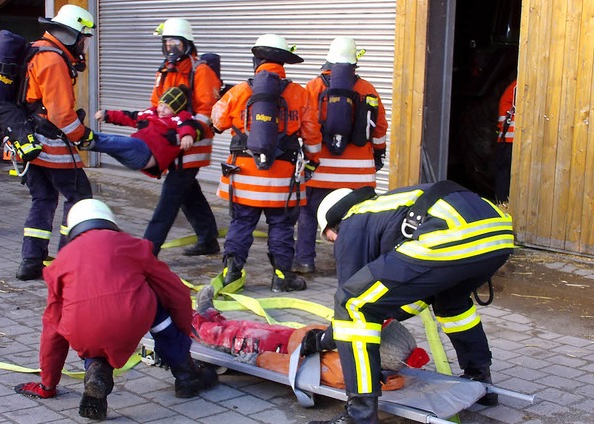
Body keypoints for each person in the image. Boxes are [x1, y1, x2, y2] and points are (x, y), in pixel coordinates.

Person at [302, 181, 514, 423]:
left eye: (330, 239)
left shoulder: (353, 222)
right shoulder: (384, 209)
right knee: (452, 304)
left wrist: (321, 341)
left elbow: (351, 306)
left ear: (333, 224)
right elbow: (400, 299)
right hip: (498, 234)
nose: (334, 245)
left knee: (352, 303)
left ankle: (359, 415)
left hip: (450, 235)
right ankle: (480, 378)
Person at [13, 199, 218, 420]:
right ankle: (186, 376)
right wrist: (182, 332)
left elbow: (52, 328)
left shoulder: (60, 262)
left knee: (89, 324)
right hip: (133, 317)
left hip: (83, 331)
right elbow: (174, 291)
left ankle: (96, 370)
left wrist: (48, 384)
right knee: (155, 300)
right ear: (110, 221)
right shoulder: (133, 245)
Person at [211, 33, 322, 293]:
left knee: (241, 224)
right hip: (282, 179)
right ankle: (282, 279)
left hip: (243, 176)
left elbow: (217, 121)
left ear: (257, 60)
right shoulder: (299, 93)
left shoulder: (240, 90)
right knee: (282, 226)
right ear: (283, 64)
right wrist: (314, 161)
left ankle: (230, 275)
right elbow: (312, 135)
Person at [15, 4, 96, 281]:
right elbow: (61, 115)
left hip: (29, 143)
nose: (84, 44)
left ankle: (30, 261)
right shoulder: (53, 60)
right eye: (84, 38)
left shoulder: (36, 50)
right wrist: (83, 135)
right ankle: (68, 261)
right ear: (73, 35)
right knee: (79, 196)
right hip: (50, 143)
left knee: (43, 198)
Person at [293, 37, 388, 274]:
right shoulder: (367, 89)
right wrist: (378, 155)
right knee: (356, 219)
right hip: (358, 176)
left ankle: (304, 261)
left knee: (309, 215)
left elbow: (305, 126)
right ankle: (354, 265)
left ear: (328, 60)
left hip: (321, 172)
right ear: (355, 63)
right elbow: (379, 128)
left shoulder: (313, 87)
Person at [144, 18, 221, 257]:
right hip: (172, 145)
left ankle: (148, 250)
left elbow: (207, 109)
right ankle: (208, 239)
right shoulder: (164, 71)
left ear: (187, 44)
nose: (171, 49)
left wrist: (189, 132)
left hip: (191, 146)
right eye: (167, 44)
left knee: (169, 200)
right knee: (189, 195)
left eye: (176, 43)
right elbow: (156, 104)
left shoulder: (201, 71)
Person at [88, 86, 198, 178]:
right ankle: (81, 137)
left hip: (146, 154)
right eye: (161, 105)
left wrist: (187, 136)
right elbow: (130, 117)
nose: (161, 110)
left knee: (113, 141)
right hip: (134, 152)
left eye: (167, 108)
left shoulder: (180, 118)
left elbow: (188, 125)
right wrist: (107, 115)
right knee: (108, 141)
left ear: (176, 110)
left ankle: (84, 137)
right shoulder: (150, 113)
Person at [494, 78, 517, 203]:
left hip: (507, 140)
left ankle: (502, 203)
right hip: (512, 141)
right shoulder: (523, 84)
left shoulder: (514, 86)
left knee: (504, 174)